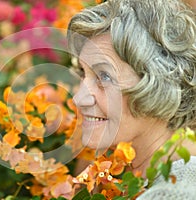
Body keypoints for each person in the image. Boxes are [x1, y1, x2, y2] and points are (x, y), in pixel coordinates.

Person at [67, 0, 196, 199]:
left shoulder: (177, 192)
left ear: (159, 83)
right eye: (84, 73)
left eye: (104, 76)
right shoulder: (113, 166)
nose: (79, 98)